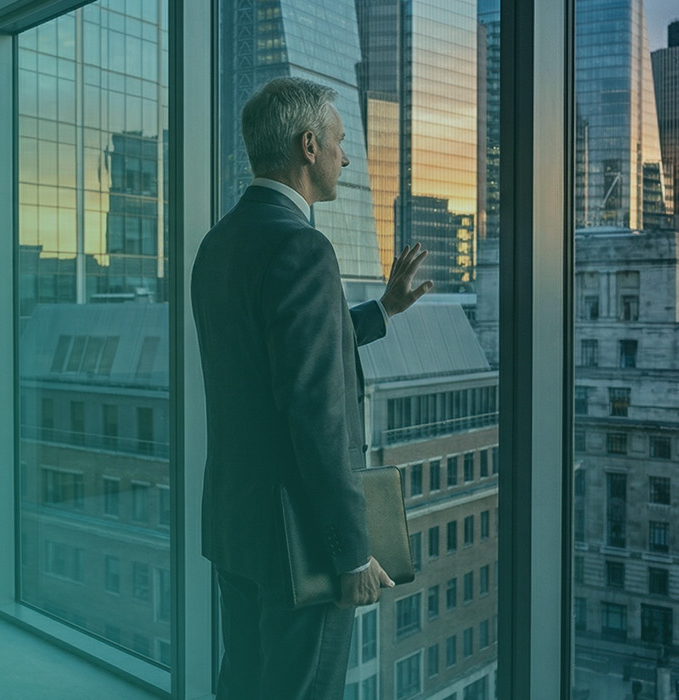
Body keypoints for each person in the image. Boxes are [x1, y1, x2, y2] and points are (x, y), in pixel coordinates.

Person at [191, 77, 433, 700]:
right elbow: (315, 412)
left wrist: (380, 310)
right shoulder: (303, 246)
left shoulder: (219, 244)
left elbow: (277, 355)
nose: (345, 158)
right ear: (307, 146)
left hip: (236, 524)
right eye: (338, 143)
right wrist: (350, 553)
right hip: (297, 540)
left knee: (242, 684)